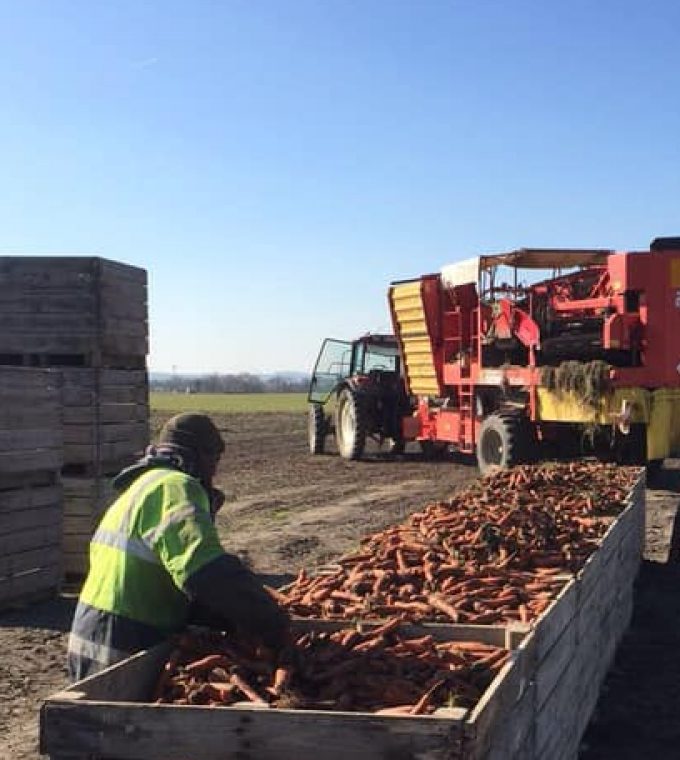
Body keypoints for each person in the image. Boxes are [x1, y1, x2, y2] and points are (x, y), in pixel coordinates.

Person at [67, 413, 290, 681]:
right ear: (197, 455)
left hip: (96, 628)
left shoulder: (145, 484)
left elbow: (171, 571)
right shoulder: (177, 487)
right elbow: (205, 570)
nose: (214, 472)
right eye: (214, 460)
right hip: (123, 637)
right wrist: (267, 619)